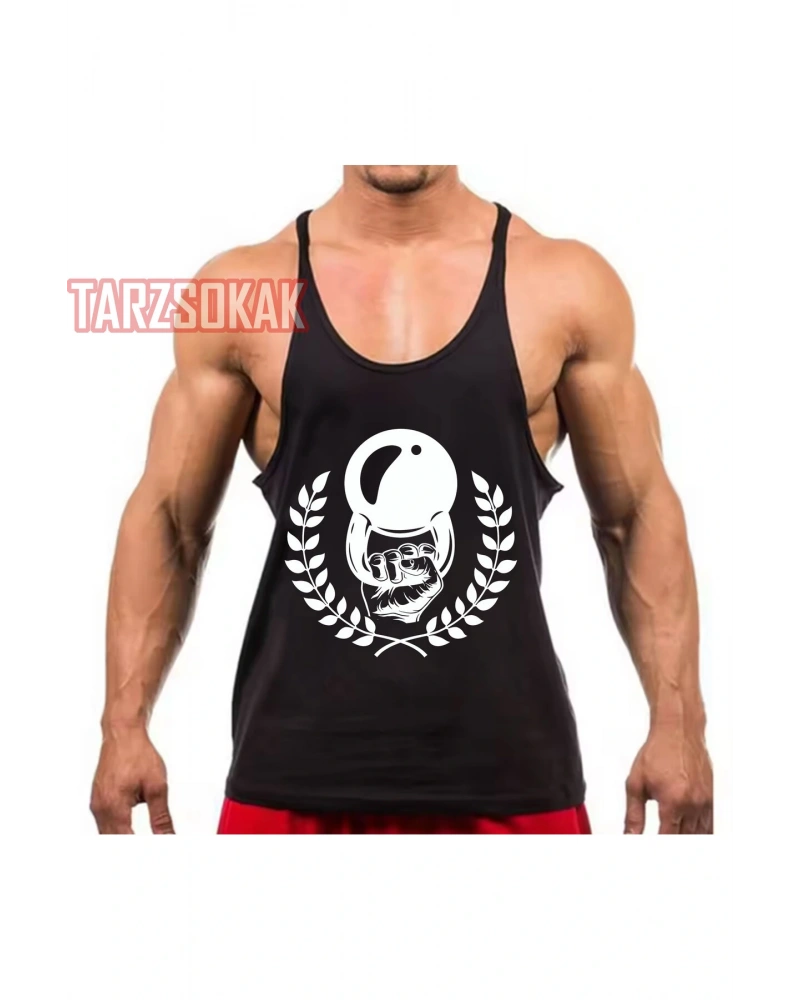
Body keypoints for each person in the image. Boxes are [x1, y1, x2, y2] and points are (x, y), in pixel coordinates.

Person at [90, 165, 713, 834]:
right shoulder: (245, 289)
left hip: (515, 775)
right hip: (290, 774)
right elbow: (170, 520)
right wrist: (123, 728)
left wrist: (679, 726)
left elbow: (634, 517)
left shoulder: (562, 285)